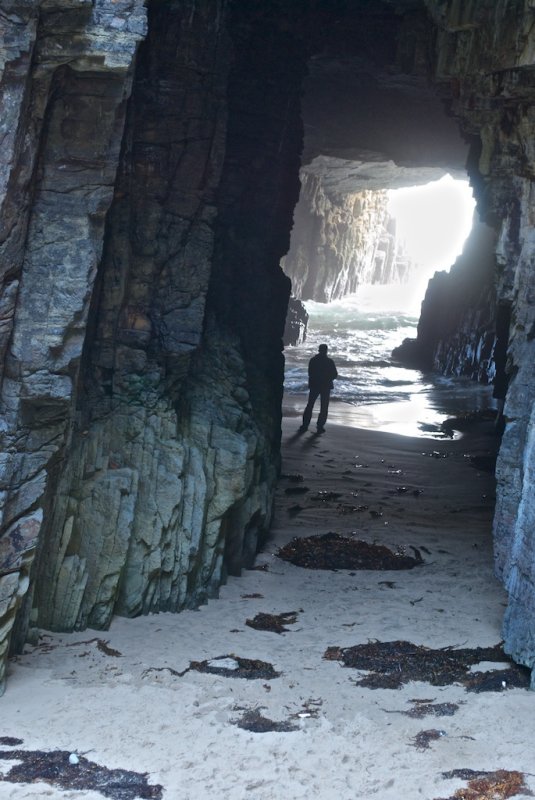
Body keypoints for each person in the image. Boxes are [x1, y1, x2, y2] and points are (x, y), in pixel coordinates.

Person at [299, 344, 338, 434]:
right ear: (326, 351)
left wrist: (317, 378)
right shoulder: (329, 361)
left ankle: (305, 425)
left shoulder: (313, 360)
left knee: (310, 405)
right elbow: (335, 374)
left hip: (315, 385)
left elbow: (310, 373)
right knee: (324, 407)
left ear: (319, 350)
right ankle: (320, 426)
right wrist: (327, 378)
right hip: (326, 386)